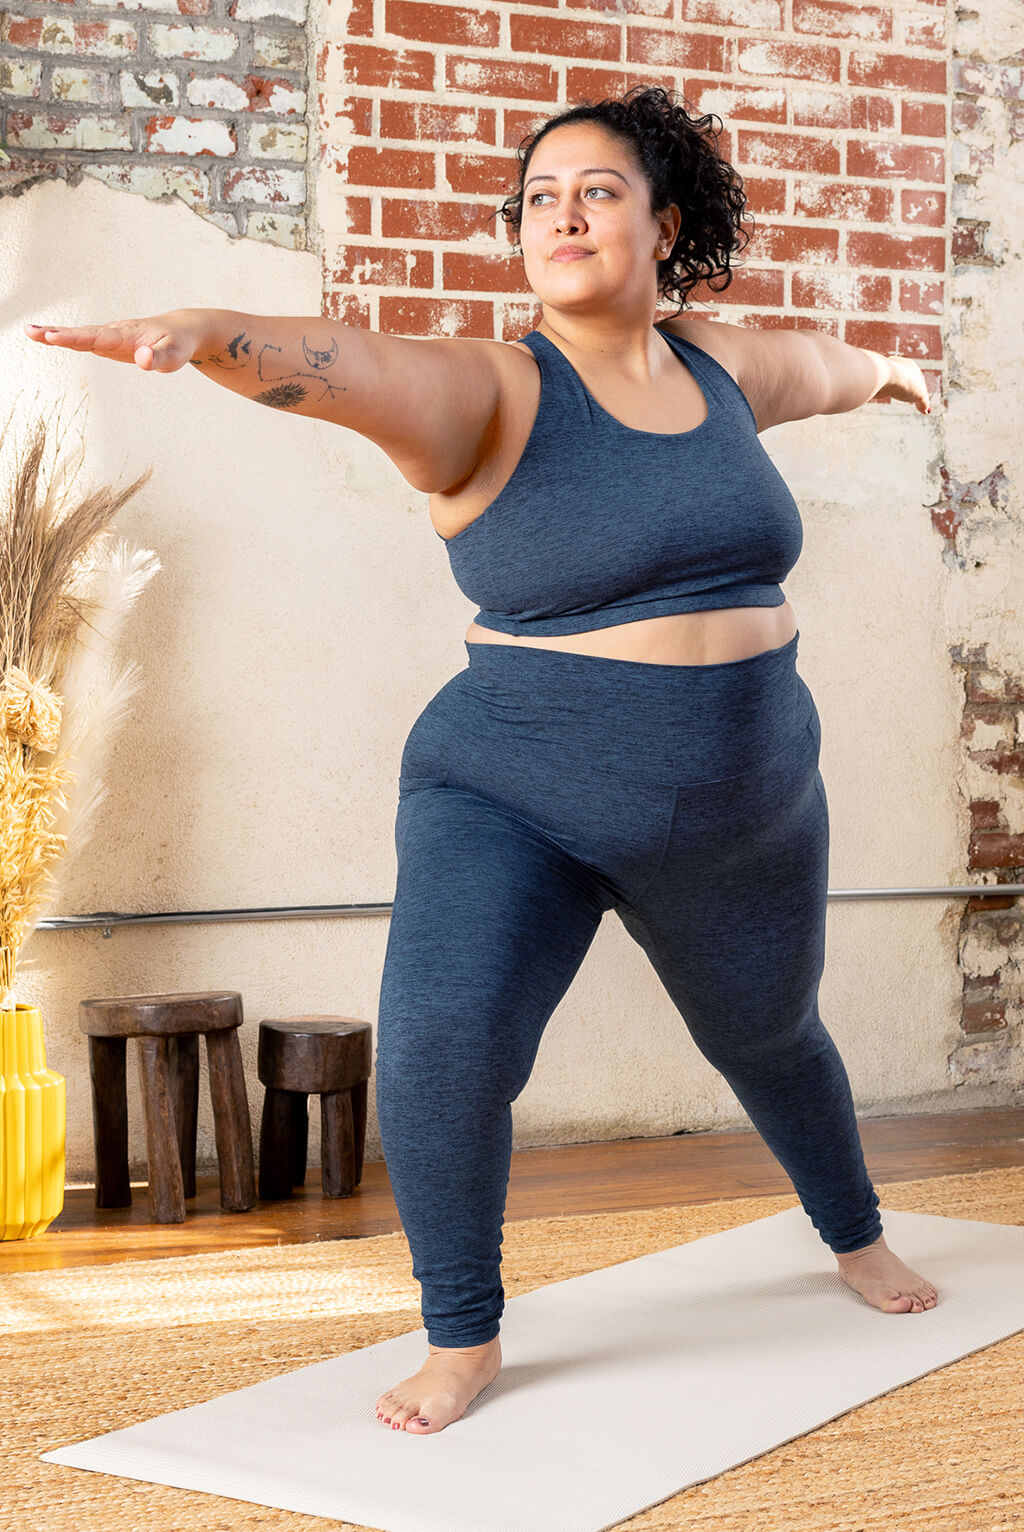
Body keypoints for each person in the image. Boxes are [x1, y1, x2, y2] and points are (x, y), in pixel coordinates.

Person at [26, 84, 938, 1438]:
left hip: (747, 805)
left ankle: (855, 1234)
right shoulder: (493, 389)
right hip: (514, 792)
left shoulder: (721, 368)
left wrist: (901, 372)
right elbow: (346, 359)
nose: (560, 214)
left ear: (664, 220)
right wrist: (209, 334)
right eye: (538, 200)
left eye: (598, 190)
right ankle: (463, 1335)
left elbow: (825, 364)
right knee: (447, 1048)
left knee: (771, 1035)